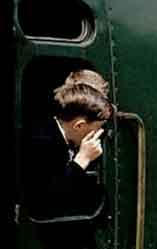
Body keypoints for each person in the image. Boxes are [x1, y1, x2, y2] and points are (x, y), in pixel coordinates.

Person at [25, 81, 114, 221]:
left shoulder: (59, 133)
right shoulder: (42, 143)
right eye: (97, 129)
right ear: (79, 126)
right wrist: (82, 160)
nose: (100, 134)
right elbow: (47, 201)